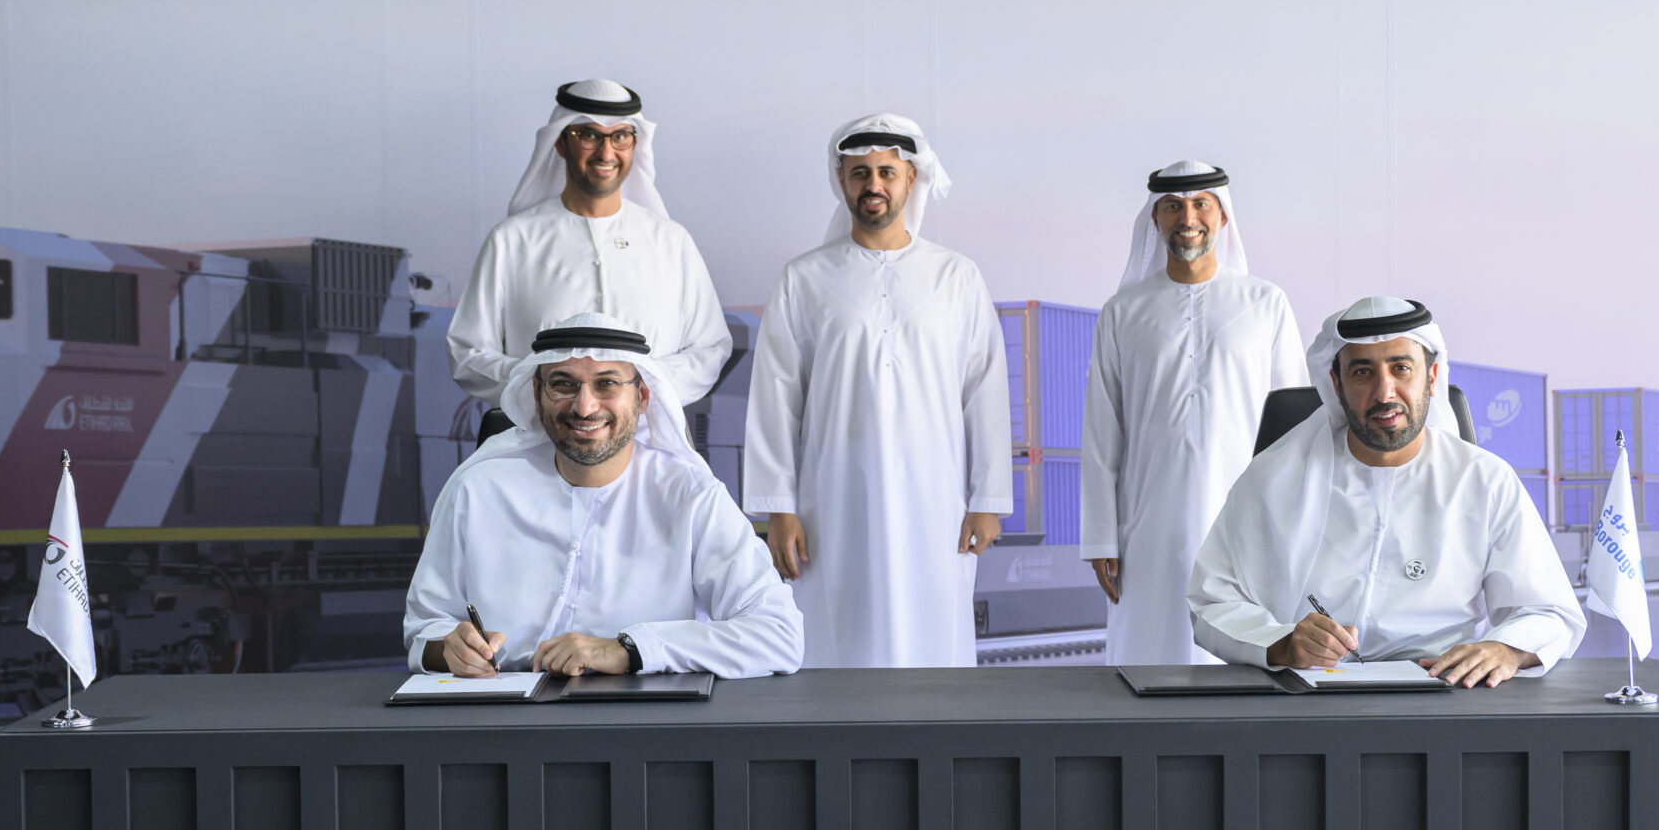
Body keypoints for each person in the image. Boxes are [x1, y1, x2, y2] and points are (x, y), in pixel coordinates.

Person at [1188, 296, 1583, 685]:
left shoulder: (1485, 480)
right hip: (1308, 696)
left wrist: (1506, 649)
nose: (1384, 393)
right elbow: (1212, 599)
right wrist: (1281, 643)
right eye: (1363, 372)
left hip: (1445, 693)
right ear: (1337, 385)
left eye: (1401, 368)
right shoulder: (1273, 478)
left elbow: (1549, 611)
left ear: (1431, 377)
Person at [741, 114, 1013, 667]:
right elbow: (776, 397)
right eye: (860, 172)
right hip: (834, 504)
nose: (873, 185)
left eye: (887, 172)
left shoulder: (956, 277)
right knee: (840, 637)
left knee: (933, 640)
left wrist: (988, 502)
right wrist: (778, 510)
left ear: (911, 179)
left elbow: (984, 390)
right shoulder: (804, 278)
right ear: (841, 180)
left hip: (936, 503)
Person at [405, 314, 801, 678]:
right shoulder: (476, 489)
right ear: (537, 394)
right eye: (563, 384)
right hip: (501, 718)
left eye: (607, 383)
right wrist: (449, 649)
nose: (584, 406)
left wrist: (630, 649)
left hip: (643, 721)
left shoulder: (691, 496)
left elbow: (778, 634)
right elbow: (426, 628)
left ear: (642, 397)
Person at [1078, 162, 1305, 664]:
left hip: (1249, 519)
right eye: (1173, 206)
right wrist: (1099, 537)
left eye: (1201, 204)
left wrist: (1294, 524)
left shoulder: (1265, 303)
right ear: (1155, 219)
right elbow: (1101, 432)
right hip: (1147, 524)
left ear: (1222, 216)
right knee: (1149, 657)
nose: (1188, 218)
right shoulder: (1123, 311)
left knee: (1243, 653)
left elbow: (1294, 428)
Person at [447, 81, 732, 433]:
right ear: (561, 143)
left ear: (635, 144)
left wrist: (637, 387)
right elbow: (467, 352)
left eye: (620, 136)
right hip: (537, 447)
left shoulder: (671, 242)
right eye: (589, 135)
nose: (606, 152)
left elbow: (710, 348)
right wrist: (545, 384)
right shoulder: (512, 241)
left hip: (653, 446)